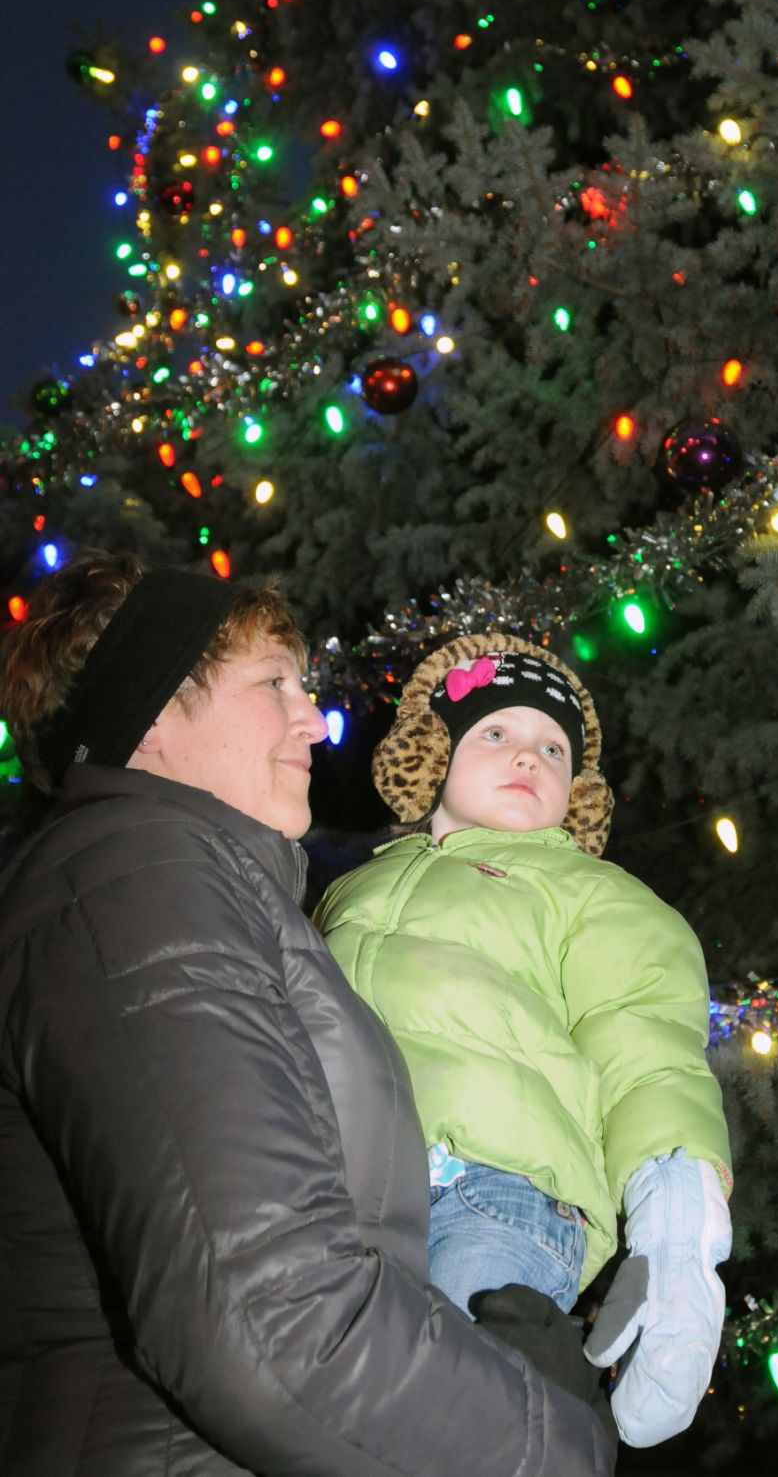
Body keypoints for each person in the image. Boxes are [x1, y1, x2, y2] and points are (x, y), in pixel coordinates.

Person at [0, 554, 614, 1477]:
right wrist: (555, 1440)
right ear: (156, 711)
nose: (314, 719)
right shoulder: (137, 879)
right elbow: (263, 1318)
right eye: (274, 682)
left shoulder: (198, 888)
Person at [315, 633, 734, 1449]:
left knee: (453, 1425)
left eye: (553, 747)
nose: (529, 758)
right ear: (434, 754)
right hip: (346, 1187)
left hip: (499, 1191)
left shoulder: (589, 892)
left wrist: (678, 1219)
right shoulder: (347, 888)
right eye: (496, 734)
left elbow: (644, 1039)